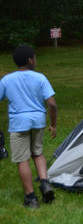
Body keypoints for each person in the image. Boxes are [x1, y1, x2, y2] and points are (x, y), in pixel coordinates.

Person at [0, 45, 57, 208]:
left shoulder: (7, 80)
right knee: (37, 153)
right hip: (38, 121)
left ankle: (31, 198)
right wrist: (53, 125)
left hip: (18, 124)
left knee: (22, 159)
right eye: (35, 57)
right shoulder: (40, 78)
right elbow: (52, 103)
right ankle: (45, 184)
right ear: (30, 60)